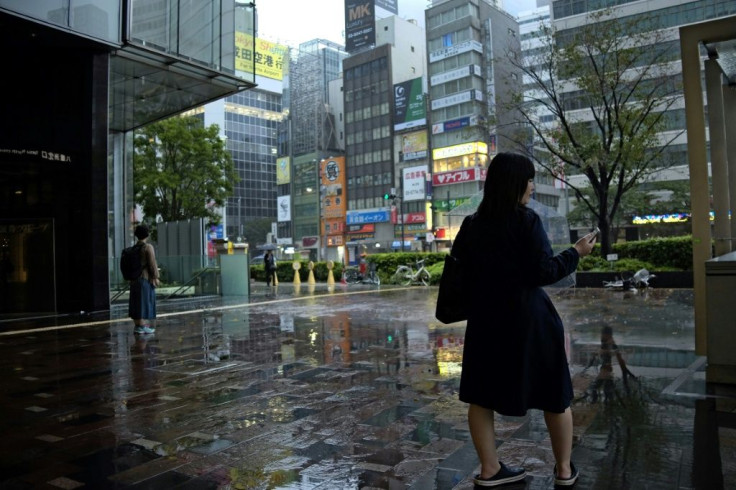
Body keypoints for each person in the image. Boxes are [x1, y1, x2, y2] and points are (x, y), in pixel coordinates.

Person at [451, 152, 596, 487]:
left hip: (486, 321)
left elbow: (462, 272)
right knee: (554, 394)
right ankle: (562, 469)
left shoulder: (472, 224)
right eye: (529, 179)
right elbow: (543, 271)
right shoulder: (526, 221)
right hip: (529, 322)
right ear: (516, 182)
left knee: (481, 395)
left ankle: (490, 469)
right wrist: (576, 252)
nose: (532, 186)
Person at [129, 225, 159, 335]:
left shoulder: (133, 248)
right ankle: (142, 327)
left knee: (136, 303)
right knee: (144, 303)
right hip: (144, 279)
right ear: (147, 235)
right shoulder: (147, 247)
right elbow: (152, 264)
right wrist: (155, 276)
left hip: (134, 280)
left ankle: (138, 326)